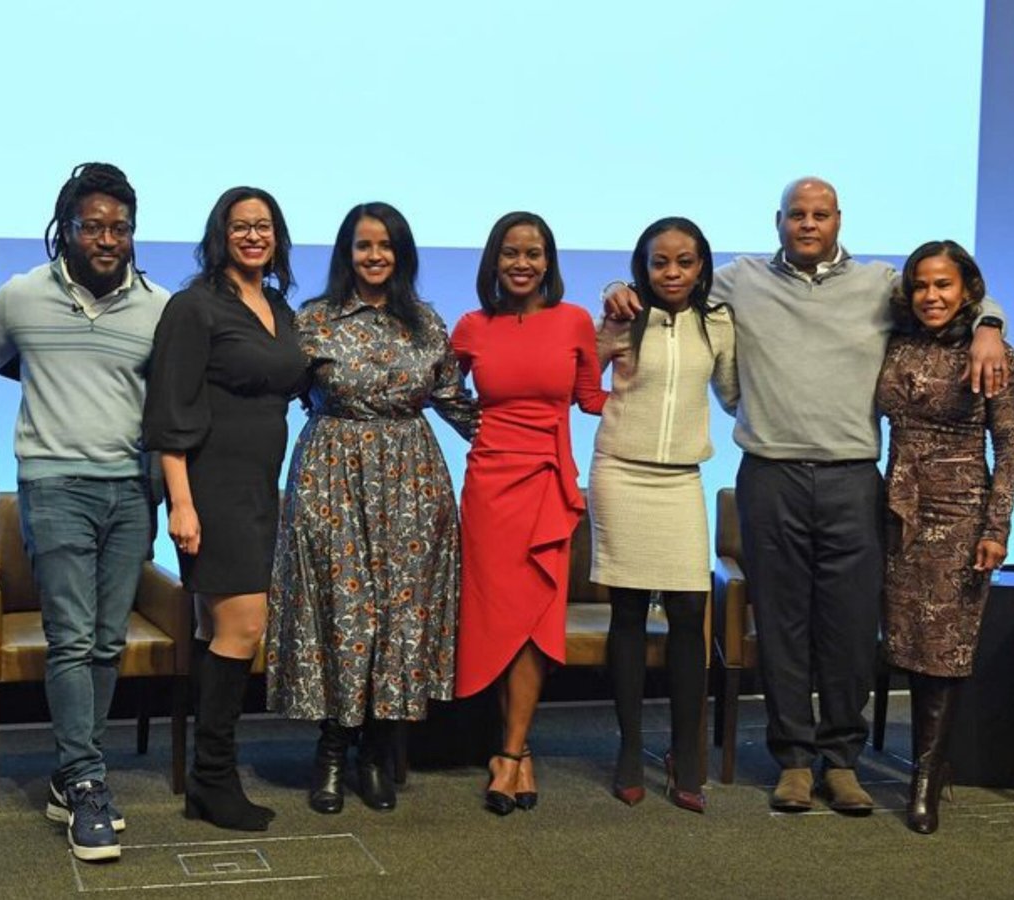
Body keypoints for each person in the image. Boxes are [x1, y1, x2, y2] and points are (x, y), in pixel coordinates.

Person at [603, 177, 1008, 814]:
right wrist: (613, 289)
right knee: (782, 624)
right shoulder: (741, 279)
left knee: (848, 629)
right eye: (797, 214)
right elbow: (661, 280)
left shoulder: (881, 286)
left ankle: (840, 759)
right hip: (770, 475)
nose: (808, 224)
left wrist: (988, 326)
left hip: (851, 477)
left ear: (839, 219)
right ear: (779, 221)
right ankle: (793, 759)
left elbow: (952, 292)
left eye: (820, 214)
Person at [268, 202, 477, 814]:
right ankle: (332, 751)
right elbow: (271, 388)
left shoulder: (428, 324)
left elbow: (455, 403)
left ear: (402, 253)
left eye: (386, 245)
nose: (375, 255)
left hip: (413, 481)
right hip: (330, 476)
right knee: (342, 610)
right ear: (347, 253)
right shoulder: (314, 321)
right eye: (364, 246)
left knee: (399, 615)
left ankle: (379, 753)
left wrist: (527, 447)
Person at [0, 163, 168, 861]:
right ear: (65, 228)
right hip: (54, 485)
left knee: (104, 641)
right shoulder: (21, 297)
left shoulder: (157, 306)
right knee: (69, 639)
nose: (107, 239)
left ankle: (71, 773)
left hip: (129, 490)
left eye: (119, 228)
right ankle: (90, 782)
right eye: (92, 226)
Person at [143, 187, 307, 832]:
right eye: (240, 226)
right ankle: (215, 779)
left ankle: (208, 784)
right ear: (220, 236)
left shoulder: (279, 307)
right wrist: (180, 505)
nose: (253, 235)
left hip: (260, 490)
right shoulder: (194, 307)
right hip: (210, 491)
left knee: (221, 633)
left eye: (263, 226)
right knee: (243, 626)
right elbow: (168, 412)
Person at [451, 211, 607, 815]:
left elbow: (592, 398)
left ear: (549, 261)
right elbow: (439, 388)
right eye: (511, 253)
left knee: (535, 629)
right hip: (490, 489)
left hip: (547, 485)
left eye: (534, 253)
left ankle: (513, 752)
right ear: (493, 261)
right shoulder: (470, 327)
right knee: (497, 622)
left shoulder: (573, 322)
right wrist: (477, 428)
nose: (523, 263)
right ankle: (508, 753)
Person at [877, 240, 1014, 835]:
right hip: (894, 510)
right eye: (921, 285)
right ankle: (934, 765)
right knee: (909, 643)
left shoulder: (995, 354)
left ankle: (922, 784)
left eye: (943, 285)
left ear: (968, 289)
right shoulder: (898, 342)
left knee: (944, 650)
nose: (931, 296)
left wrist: (997, 529)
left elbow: (1011, 451)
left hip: (958, 515)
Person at [590, 217, 736, 814]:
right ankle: (629, 748)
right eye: (659, 262)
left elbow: (734, 393)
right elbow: (584, 376)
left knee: (688, 614)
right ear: (641, 267)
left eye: (685, 261)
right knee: (626, 613)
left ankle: (686, 754)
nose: (672, 272)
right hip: (621, 472)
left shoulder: (719, 323)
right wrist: (607, 315)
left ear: (702, 266)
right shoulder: (624, 314)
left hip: (681, 481)